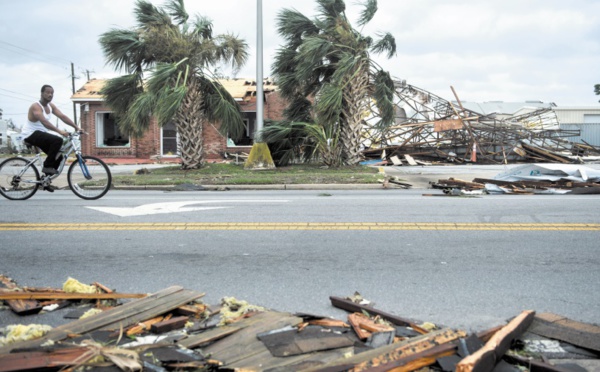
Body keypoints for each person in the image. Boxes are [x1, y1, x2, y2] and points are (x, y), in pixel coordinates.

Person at [21, 84, 80, 176]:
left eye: (52, 93)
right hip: (30, 134)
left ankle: (45, 181)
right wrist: (60, 131)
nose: (50, 95)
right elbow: (44, 122)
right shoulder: (36, 106)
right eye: (47, 92)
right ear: (42, 93)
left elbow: (62, 116)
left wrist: (77, 127)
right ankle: (47, 166)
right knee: (57, 140)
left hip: (40, 134)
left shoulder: (50, 106)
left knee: (58, 158)